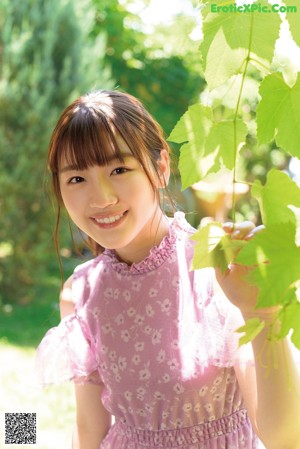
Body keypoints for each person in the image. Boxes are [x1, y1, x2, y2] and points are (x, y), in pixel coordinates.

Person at [36, 90, 300, 449]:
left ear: (161, 168)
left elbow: (286, 438)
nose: (100, 198)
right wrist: (16, 436)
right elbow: (88, 429)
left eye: (118, 169)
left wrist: (263, 312)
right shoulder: (81, 291)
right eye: (77, 179)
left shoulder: (220, 269)